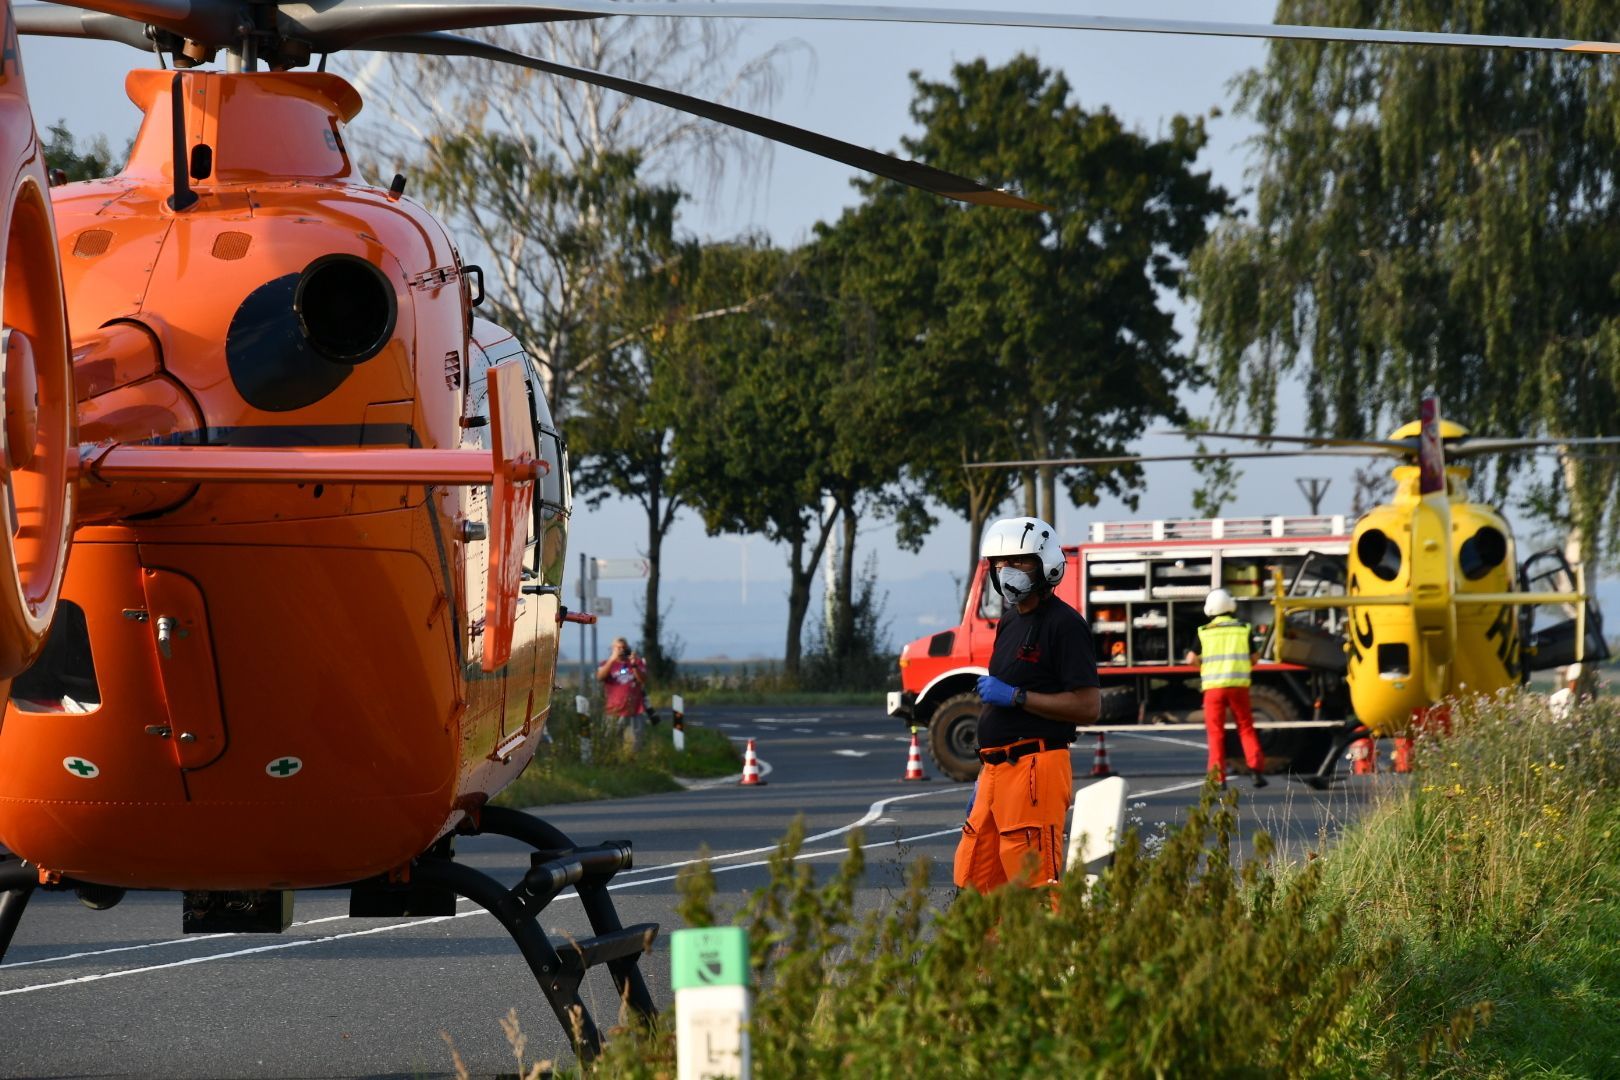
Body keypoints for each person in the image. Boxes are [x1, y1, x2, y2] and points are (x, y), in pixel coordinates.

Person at [954, 516, 1101, 894]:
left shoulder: (1064, 625)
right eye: (999, 563)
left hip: (1035, 767)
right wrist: (985, 771)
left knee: (1032, 880)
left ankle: (1043, 952)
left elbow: (1087, 706)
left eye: (1019, 562)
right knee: (976, 877)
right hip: (994, 770)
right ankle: (987, 954)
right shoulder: (1009, 622)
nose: (1007, 571)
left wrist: (1017, 697)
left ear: (1045, 564)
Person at [1185, 588, 1267, 788]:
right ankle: (1256, 770)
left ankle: (1217, 779)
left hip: (1213, 688)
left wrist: (1203, 667)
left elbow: (1190, 659)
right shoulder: (1243, 628)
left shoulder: (1204, 632)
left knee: (1215, 733)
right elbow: (1255, 658)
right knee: (1246, 727)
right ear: (1230, 606)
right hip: (1238, 686)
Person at [597, 637, 649, 750]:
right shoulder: (606, 663)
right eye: (618, 648)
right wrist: (612, 660)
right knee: (611, 742)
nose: (621, 650)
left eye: (623, 648)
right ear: (612, 648)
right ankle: (613, 762)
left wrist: (634, 665)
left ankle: (634, 762)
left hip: (635, 709)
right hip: (613, 710)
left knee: (636, 743)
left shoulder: (636, 662)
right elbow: (600, 676)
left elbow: (643, 679)